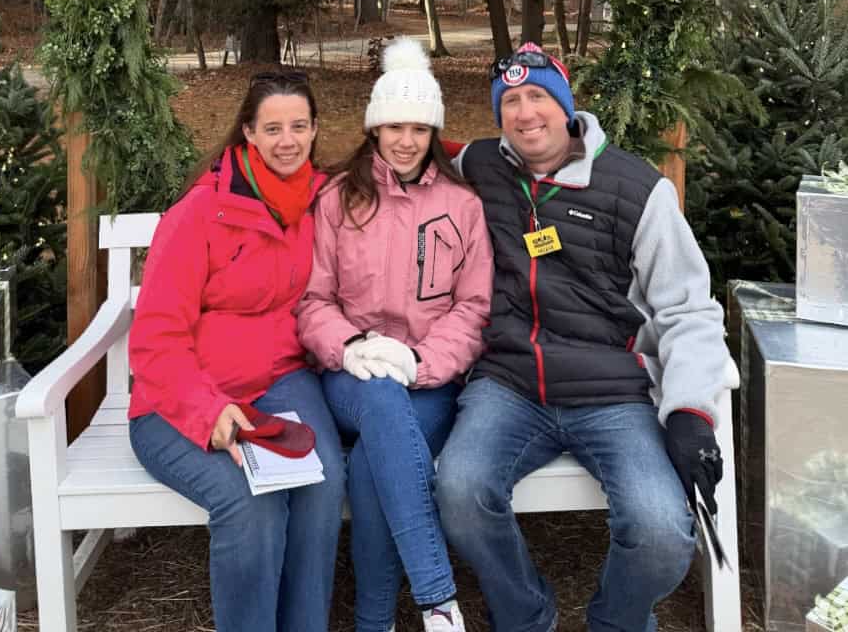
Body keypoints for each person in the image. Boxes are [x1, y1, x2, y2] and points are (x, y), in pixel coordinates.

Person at [434, 42, 730, 632]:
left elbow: (688, 307)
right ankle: (524, 616)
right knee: (460, 491)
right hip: (510, 383)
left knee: (660, 532)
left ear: (566, 105)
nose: (525, 114)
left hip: (611, 391)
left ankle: (616, 623)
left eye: (538, 97)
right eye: (510, 102)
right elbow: (409, 151)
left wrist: (691, 411)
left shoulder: (636, 188)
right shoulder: (482, 167)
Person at [128, 69, 345, 632]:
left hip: (280, 380)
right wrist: (206, 412)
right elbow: (155, 338)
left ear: (316, 129)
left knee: (322, 479)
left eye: (299, 126)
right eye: (272, 128)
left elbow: (400, 159)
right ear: (247, 132)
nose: (287, 140)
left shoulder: (318, 200)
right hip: (179, 400)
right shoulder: (200, 213)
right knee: (252, 505)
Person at [298, 37, 494, 632]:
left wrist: (420, 360)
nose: (405, 141)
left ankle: (374, 621)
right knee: (380, 399)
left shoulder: (462, 206)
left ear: (434, 132)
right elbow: (312, 299)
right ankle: (437, 597)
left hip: (428, 380)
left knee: (370, 470)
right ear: (373, 130)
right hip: (350, 376)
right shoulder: (337, 199)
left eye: (418, 128)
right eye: (393, 127)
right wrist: (352, 347)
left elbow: (474, 306)